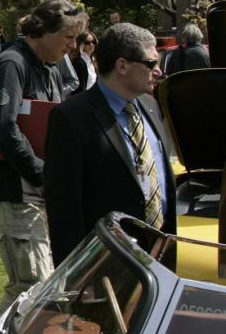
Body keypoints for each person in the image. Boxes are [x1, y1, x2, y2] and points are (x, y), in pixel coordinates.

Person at [0, 0, 86, 316]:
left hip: (39, 191)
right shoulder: (12, 63)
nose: (72, 46)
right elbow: (3, 129)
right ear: (43, 30)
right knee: (32, 285)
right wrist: (43, 172)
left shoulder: (50, 69)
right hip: (13, 190)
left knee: (47, 283)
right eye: (68, 37)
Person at [44, 23, 176, 267]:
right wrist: (76, 276)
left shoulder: (150, 106)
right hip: (105, 266)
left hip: (159, 259)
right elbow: (63, 207)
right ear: (122, 66)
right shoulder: (72, 117)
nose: (159, 71)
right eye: (151, 64)